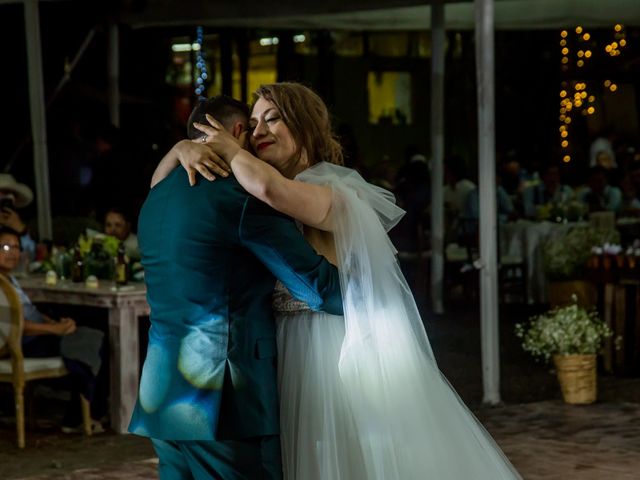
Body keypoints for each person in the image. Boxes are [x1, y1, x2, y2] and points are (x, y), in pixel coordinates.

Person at [163, 83, 521, 479]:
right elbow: (164, 190)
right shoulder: (251, 190)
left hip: (328, 347)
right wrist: (179, 150)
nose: (259, 131)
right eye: (252, 123)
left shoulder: (334, 188)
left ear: (305, 125)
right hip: (276, 346)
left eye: (273, 118)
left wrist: (229, 150)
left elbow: (273, 189)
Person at [128, 95, 343, 480]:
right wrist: (375, 291)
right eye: (254, 130)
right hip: (225, 401)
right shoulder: (239, 196)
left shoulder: (155, 197)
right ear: (238, 132)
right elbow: (314, 287)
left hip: (162, 395)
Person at [0, 226, 106, 433]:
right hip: (23, 343)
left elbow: (28, 312)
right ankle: (82, 416)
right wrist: (54, 330)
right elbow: (17, 327)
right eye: (5, 247)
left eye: (16, 247)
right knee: (92, 341)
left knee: (89, 338)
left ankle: (84, 413)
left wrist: (56, 322)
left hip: (38, 333)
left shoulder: (10, 280)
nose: (13, 252)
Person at [0, 174, 36, 262]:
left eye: (11, 196)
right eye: (3, 194)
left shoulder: (15, 224)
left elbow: (29, 257)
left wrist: (20, 230)